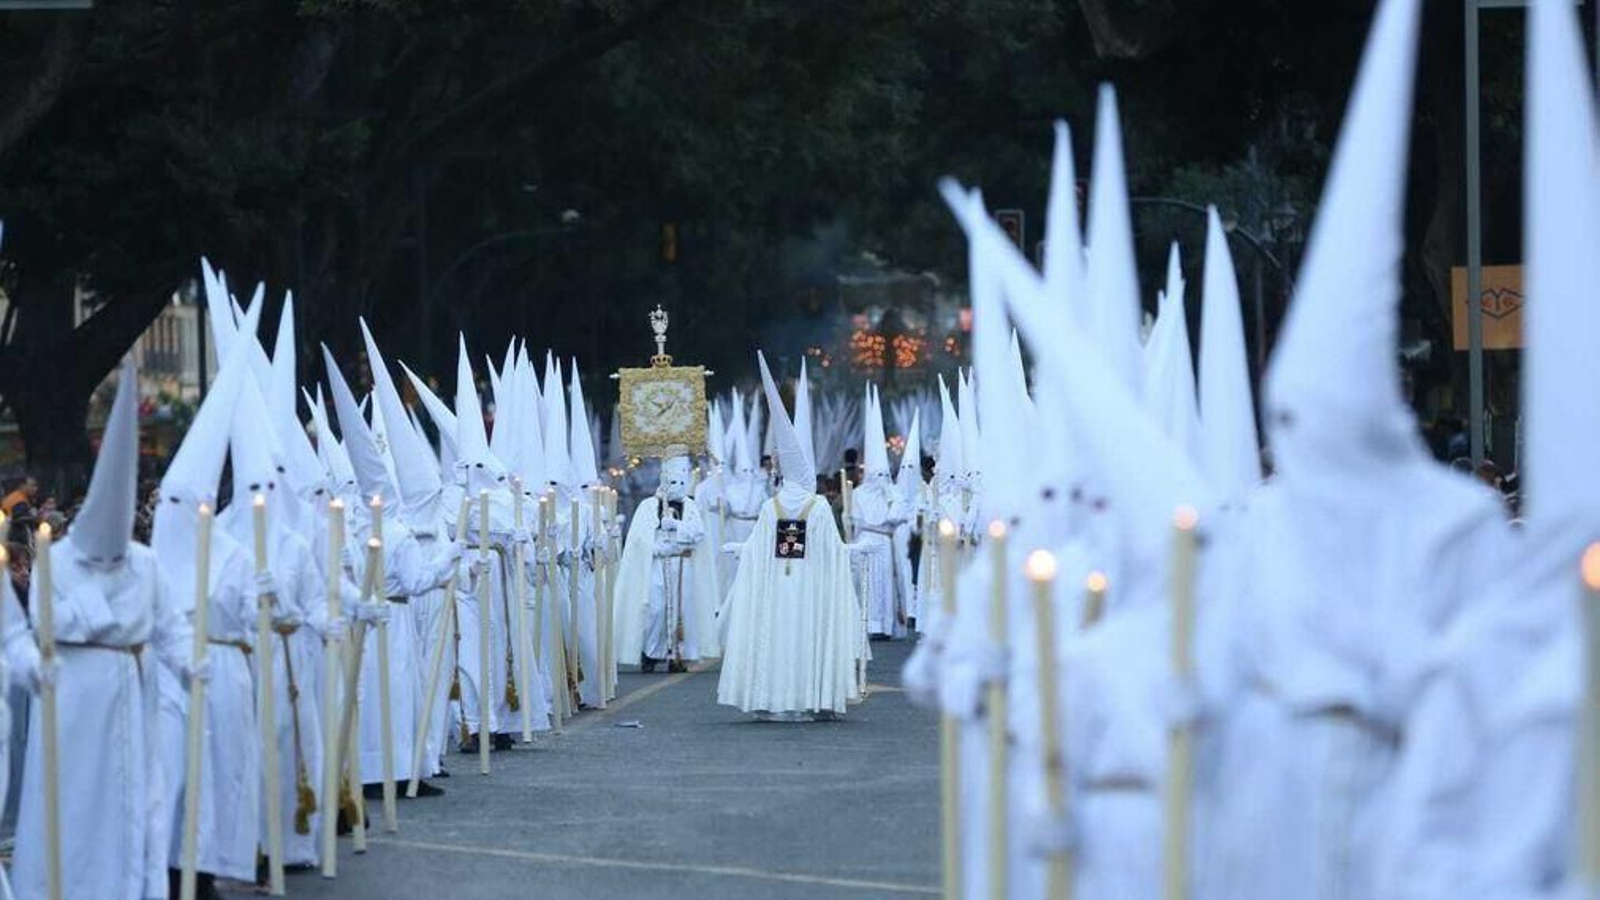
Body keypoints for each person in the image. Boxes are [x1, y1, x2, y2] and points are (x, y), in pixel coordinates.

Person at [7, 360, 202, 900]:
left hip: (130, 694)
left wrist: (191, 659)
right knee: (73, 803)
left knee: (136, 797)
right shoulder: (58, 562)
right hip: (70, 698)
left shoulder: (145, 564)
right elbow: (25, 633)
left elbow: (168, 628)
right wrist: (33, 666)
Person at [716, 352, 860, 721]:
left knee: (777, 637)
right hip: (810, 587)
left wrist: (742, 549)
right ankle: (813, 697)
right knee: (806, 637)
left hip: (777, 587)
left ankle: (771, 697)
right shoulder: (819, 508)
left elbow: (759, 550)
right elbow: (832, 553)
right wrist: (854, 552)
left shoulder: (770, 508)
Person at [613, 455, 718, 674]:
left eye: (681, 482)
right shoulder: (648, 506)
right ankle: (651, 652)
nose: (677, 487)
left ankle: (676, 655)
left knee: (681, 610)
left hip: (682, 564)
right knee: (655, 607)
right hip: (657, 564)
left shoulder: (689, 506)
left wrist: (677, 526)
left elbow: (698, 532)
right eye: (672, 482)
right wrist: (656, 547)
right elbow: (639, 539)